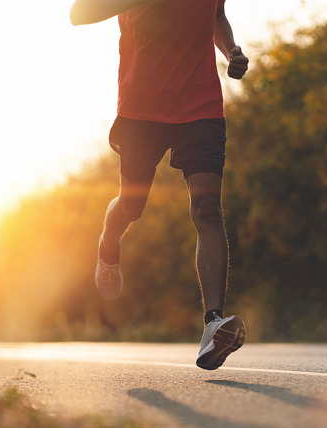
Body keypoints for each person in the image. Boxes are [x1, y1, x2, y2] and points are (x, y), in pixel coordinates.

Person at [70, 0, 250, 370]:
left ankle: (213, 322)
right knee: (132, 206)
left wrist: (231, 49)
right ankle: (109, 242)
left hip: (200, 106)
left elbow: (215, 15)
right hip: (142, 110)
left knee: (207, 208)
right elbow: (78, 14)